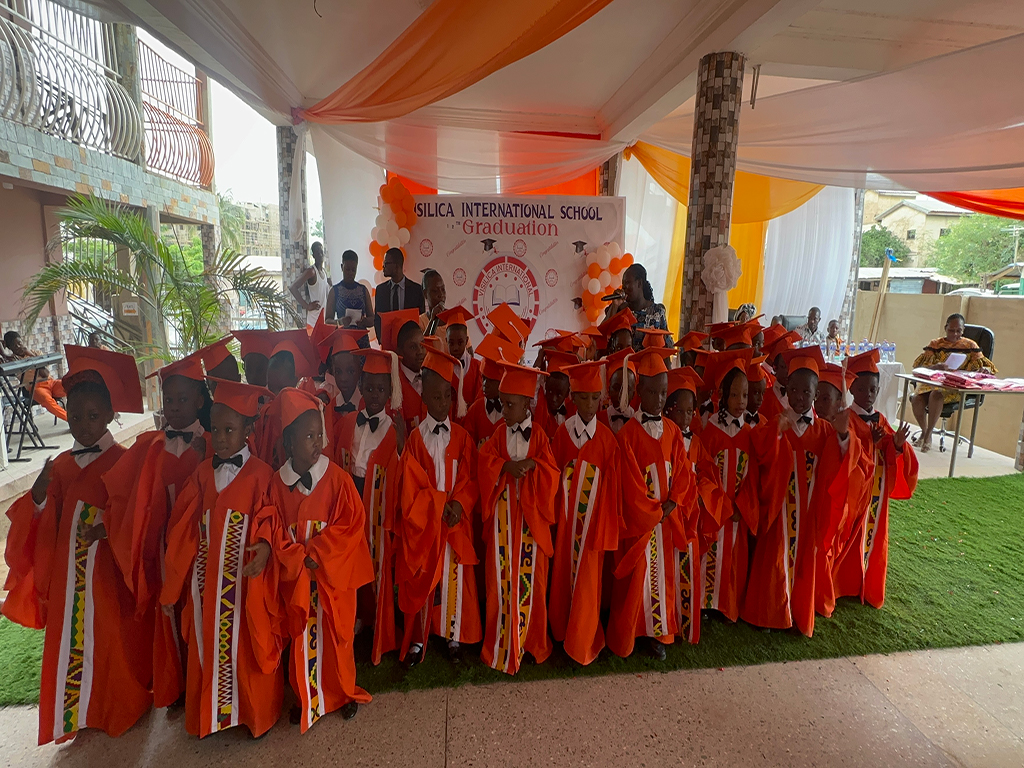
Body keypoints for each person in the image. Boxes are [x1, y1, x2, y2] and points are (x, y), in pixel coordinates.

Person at [2, 345, 151, 745]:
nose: (83, 426)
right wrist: (38, 494)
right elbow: (40, 522)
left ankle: (115, 708)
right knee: (72, 642)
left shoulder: (123, 460)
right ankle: (78, 713)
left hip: (107, 573)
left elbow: (136, 517)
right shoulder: (61, 466)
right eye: (76, 417)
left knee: (109, 639)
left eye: (93, 416)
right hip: (69, 579)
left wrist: (107, 530)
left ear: (110, 415)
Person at [160, 378, 283, 739]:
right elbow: (183, 531)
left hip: (246, 585)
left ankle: (254, 715)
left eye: (230, 430)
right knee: (209, 643)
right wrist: (172, 586)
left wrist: (265, 546)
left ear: (248, 430)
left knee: (247, 646)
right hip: (207, 586)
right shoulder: (201, 475)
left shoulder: (262, 475)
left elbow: (272, 519)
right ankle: (212, 715)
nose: (222, 437)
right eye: (216, 429)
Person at [102, 352, 209, 710]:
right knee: (170, 611)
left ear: (199, 400)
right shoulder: (152, 446)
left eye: (183, 399)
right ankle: (175, 684)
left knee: (199, 608)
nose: (174, 407)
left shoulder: (216, 443)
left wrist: (204, 455)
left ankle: (202, 681)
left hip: (200, 545)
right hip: (163, 547)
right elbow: (132, 497)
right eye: (169, 400)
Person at [268, 388, 372, 730]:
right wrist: (296, 557)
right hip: (298, 580)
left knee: (337, 637)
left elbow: (352, 524)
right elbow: (272, 529)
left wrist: (317, 552)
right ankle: (305, 697)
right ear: (289, 442)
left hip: (332, 579)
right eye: (308, 436)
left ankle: (343, 693)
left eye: (319, 435)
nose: (317, 443)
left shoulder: (338, 479)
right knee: (302, 637)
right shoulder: (277, 486)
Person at [740, 346, 851, 637]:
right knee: (774, 561)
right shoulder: (777, 423)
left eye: (806, 392)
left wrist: (843, 436)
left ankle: (798, 612)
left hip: (809, 514)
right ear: (786, 389)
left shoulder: (824, 431)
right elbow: (760, 455)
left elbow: (842, 466)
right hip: (780, 510)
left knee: (803, 563)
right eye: (794, 390)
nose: (799, 397)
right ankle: (770, 614)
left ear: (816, 395)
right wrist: (775, 433)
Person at [606, 346, 694, 660]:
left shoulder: (673, 431)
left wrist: (674, 503)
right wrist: (652, 512)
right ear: (639, 391)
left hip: (665, 523)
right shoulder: (627, 435)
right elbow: (628, 485)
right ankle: (630, 633)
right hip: (640, 525)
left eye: (663, 393)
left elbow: (683, 472)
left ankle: (660, 634)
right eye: (652, 392)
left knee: (662, 578)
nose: (658, 399)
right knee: (637, 579)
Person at [395, 345, 480, 666]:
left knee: (452, 578)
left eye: (447, 396)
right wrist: (438, 504)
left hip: (454, 525)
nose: (443, 403)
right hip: (426, 527)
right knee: (423, 578)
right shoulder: (416, 440)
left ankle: (452, 635)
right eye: (436, 397)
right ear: (424, 398)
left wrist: (458, 503)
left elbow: (470, 479)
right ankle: (419, 638)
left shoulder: (462, 437)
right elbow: (410, 488)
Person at [477, 361, 559, 674]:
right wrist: (504, 467)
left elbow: (551, 471)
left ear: (527, 404)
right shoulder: (498, 434)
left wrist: (534, 465)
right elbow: (485, 462)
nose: (505, 411)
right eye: (502, 404)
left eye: (510, 405)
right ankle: (500, 641)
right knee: (499, 580)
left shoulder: (539, 436)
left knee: (532, 580)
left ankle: (532, 642)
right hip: (503, 518)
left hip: (530, 519)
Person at [331, 348, 403, 664]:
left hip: (378, 504)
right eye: (369, 387)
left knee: (376, 565)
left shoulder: (394, 430)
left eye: (380, 389)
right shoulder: (347, 422)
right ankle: (356, 616)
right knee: (351, 564)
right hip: (351, 501)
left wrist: (401, 447)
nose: (374, 395)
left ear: (389, 392)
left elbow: (401, 473)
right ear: (361, 386)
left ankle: (378, 623)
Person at [548, 360, 622, 665]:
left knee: (589, 583)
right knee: (562, 575)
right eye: (583, 397)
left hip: (592, 529)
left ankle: (583, 639)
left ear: (601, 398)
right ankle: (561, 630)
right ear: (573, 398)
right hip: (566, 527)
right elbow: (553, 480)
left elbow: (612, 491)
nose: (590, 405)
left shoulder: (607, 440)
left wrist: (602, 530)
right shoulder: (562, 434)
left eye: (594, 398)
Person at [834, 349, 917, 610]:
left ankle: (867, 584)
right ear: (852, 389)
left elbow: (891, 453)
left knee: (874, 537)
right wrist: (869, 442)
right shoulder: (847, 419)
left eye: (873, 390)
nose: (868, 395)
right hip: (855, 493)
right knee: (848, 535)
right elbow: (844, 453)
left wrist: (897, 444)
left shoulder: (880, 419)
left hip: (876, 496)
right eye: (862, 389)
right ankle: (842, 584)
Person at [696, 350, 759, 625]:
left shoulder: (750, 434)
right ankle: (706, 602)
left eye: (744, 395)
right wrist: (718, 504)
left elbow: (753, 477)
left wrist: (740, 506)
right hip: (715, 511)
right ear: (722, 396)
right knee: (711, 553)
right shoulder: (710, 432)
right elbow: (703, 472)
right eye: (734, 395)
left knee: (734, 558)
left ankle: (728, 604)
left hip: (736, 513)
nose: (740, 401)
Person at [910, 313, 996, 453]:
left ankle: (928, 435)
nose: (955, 334)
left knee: (936, 395)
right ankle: (924, 431)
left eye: (959, 331)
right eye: (951, 330)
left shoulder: (970, 346)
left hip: (954, 386)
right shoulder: (935, 344)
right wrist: (936, 367)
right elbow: (918, 367)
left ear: (963, 330)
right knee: (916, 399)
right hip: (932, 382)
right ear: (945, 328)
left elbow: (986, 367)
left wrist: (984, 370)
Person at [461, 333, 517, 447]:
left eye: (491, 381)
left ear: (501, 381)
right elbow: (467, 444)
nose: (485, 384)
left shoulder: (513, 411)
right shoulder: (475, 409)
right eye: (484, 378)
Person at [603, 264, 672, 349]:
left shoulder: (657, 311)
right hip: (624, 358)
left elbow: (667, 345)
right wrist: (615, 306)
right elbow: (601, 335)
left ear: (639, 283)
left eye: (627, 283)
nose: (623, 287)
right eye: (623, 284)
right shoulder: (621, 310)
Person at [379, 308, 427, 431]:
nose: (420, 352)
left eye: (422, 345)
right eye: (413, 347)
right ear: (399, 351)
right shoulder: (392, 385)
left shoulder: (431, 377)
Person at [4, 331, 66, 421]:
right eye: (14, 346)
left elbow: (45, 374)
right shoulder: (13, 361)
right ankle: (71, 420)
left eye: (19, 343)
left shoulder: (36, 353)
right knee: (48, 401)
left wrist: (32, 356)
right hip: (35, 387)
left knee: (71, 385)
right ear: (10, 348)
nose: (18, 347)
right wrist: (3, 349)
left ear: (22, 341)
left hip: (51, 382)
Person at [374, 248, 425, 339]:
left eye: (386, 263)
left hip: (410, 340)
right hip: (387, 341)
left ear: (396, 265)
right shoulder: (381, 290)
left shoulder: (416, 290)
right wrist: (381, 339)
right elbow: (377, 319)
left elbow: (421, 317)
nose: (383, 266)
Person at [439, 305, 482, 409]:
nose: (455, 348)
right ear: (446, 341)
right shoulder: (441, 368)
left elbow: (480, 401)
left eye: (460, 342)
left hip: (472, 417)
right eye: (451, 343)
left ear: (466, 341)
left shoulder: (477, 367)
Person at [326, 250, 374, 332]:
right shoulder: (334, 291)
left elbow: (372, 320)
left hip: (362, 338)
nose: (350, 273)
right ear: (342, 267)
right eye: (347, 269)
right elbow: (327, 321)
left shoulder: (363, 290)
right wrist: (340, 322)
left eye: (353, 270)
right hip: (343, 337)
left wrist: (365, 321)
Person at [290, 241, 331, 328]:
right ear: (313, 255)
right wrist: (307, 306)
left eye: (321, 252)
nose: (320, 254)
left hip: (323, 319)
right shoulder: (311, 271)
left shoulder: (324, 272)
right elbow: (293, 287)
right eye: (317, 252)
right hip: (313, 321)